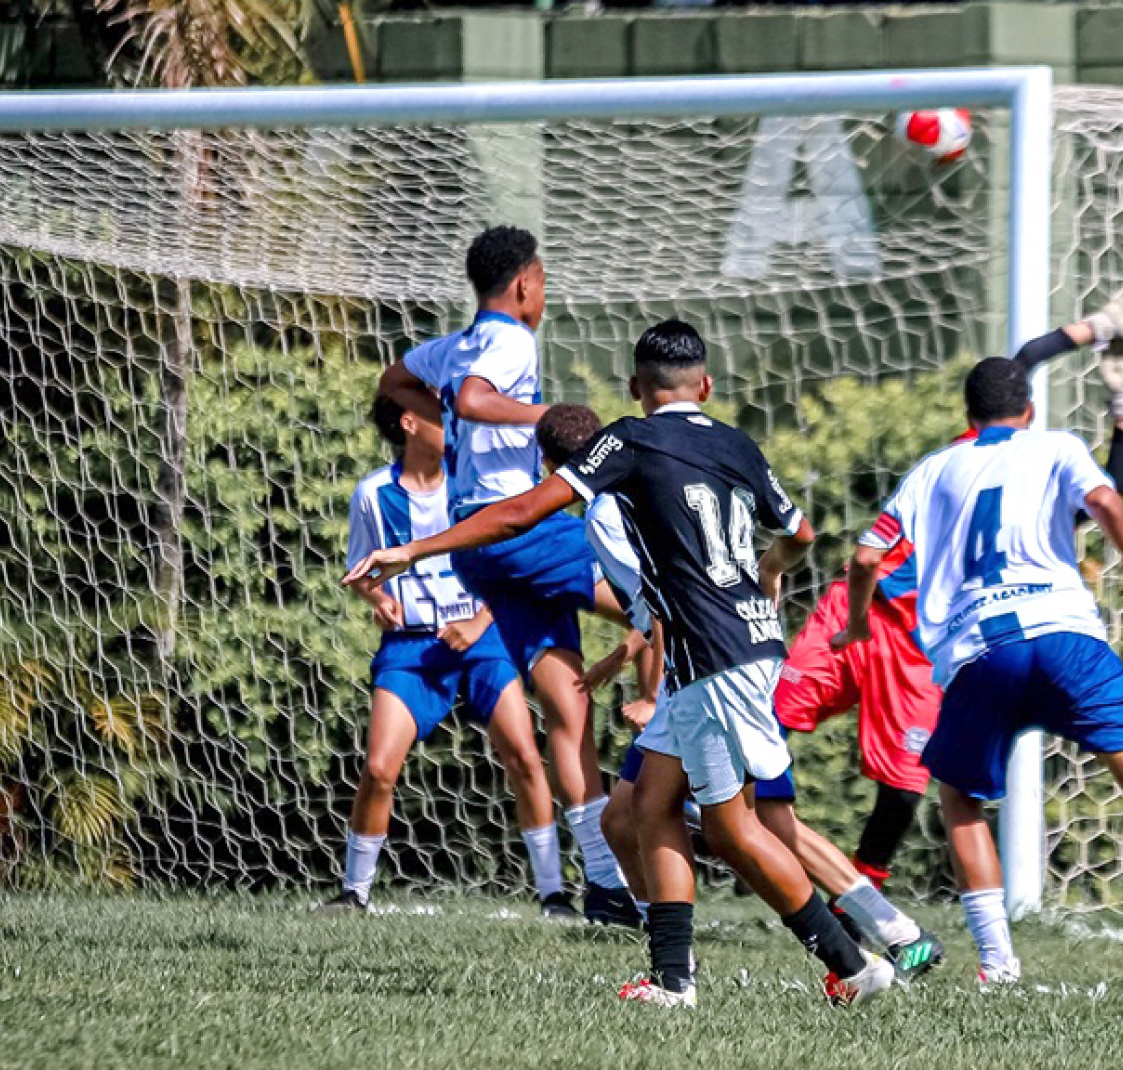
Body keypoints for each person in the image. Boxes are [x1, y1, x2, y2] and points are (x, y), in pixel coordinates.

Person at [348, 320, 895, 1008]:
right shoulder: (734, 441)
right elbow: (801, 534)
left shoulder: (629, 440)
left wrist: (414, 550)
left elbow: (521, 511)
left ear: (636, 389)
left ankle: (851, 966)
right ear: (707, 386)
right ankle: (673, 980)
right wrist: (767, 573)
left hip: (708, 655)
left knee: (732, 830)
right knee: (641, 805)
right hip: (749, 641)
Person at [835, 356, 1123, 988]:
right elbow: (1102, 497)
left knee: (960, 798)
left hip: (978, 650)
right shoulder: (1056, 445)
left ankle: (998, 965)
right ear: (1029, 411)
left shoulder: (934, 468)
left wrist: (856, 626)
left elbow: (864, 558)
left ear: (968, 416)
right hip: (1065, 633)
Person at [775, 290, 1123, 897]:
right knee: (763, 724)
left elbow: (1095, 494)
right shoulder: (971, 453)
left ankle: (861, 905)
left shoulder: (1030, 485)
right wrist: (1105, 336)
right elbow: (1028, 359)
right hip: (852, 610)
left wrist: (1121, 404)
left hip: (914, 642)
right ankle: (692, 823)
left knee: (904, 786)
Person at [536, 404, 944, 981]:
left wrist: (652, 689)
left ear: (550, 463)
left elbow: (664, 600)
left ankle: (875, 945)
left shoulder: (606, 508)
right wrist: (625, 655)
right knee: (632, 817)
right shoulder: (664, 468)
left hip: (705, 670)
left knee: (750, 826)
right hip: (736, 650)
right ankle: (678, 962)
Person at [378, 225, 638, 926]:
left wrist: (464, 424)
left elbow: (395, 381)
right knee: (661, 604)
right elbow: (471, 398)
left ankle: (606, 888)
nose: (543, 295)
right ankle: (690, 780)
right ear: (524, 282)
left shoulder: (451, 344)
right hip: (517, 525)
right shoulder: (510, 340)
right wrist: (542, 416)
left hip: (478, 544)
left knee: (567, 705)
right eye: (544, 281)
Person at [319, 395, 565, 916]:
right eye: (440, 416)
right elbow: (362, 574)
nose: (452, 425)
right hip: (412, 649)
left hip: (484, 635)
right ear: (410, 424)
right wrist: (379, 600)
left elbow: (513, 567)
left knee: (523, 753)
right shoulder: (373, 494)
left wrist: (479, 621)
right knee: (379, 768)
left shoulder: (475, 485)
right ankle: (353, 893)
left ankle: (555, 894)